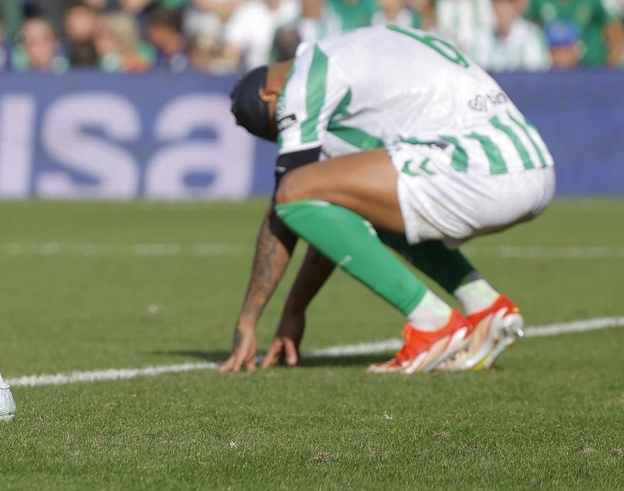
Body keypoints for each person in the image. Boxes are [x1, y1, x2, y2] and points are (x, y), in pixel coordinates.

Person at [221, 25, 554, 375]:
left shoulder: (304, 82)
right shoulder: (367, 42)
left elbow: (289, 197)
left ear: (270, 96)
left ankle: (432, 323)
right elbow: (333, 207)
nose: (290, 136)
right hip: (532, 164)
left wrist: (248, 319)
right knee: (341, 187)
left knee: (295, 187)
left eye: (277, 131)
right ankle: (484, 306)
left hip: (478, 169)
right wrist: (294, 309)